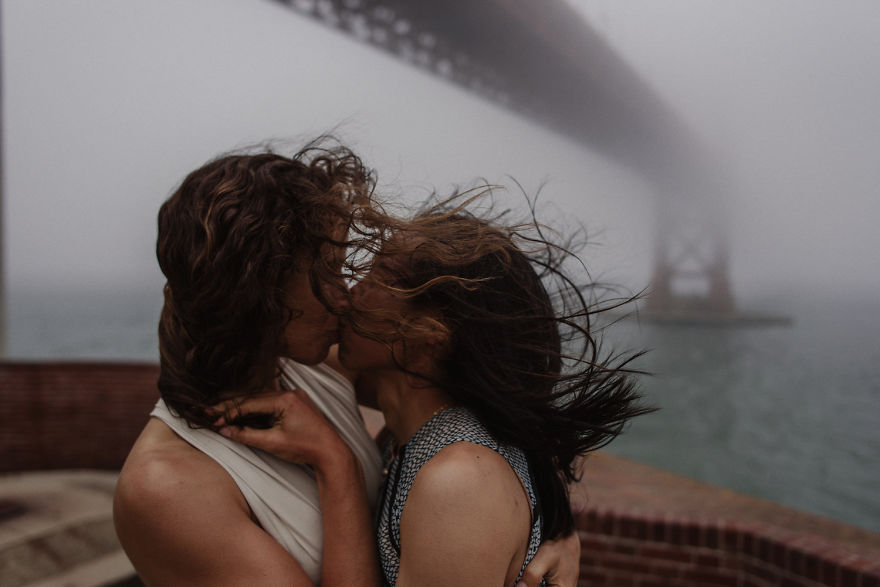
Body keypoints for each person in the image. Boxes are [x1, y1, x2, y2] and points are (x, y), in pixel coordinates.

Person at [113, 144, 580, 587]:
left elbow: (493, 397)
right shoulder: (165, 488)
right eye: (326, 273)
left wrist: (549, 526)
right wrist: (335, 463)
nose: (345, 297)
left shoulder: (320, 363)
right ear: (259, 297)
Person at [216, 200, 650, 586]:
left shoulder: (459, 482)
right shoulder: (416, 412)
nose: (350, 292)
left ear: (431, 334)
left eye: (379, 276)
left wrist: (336, 462)